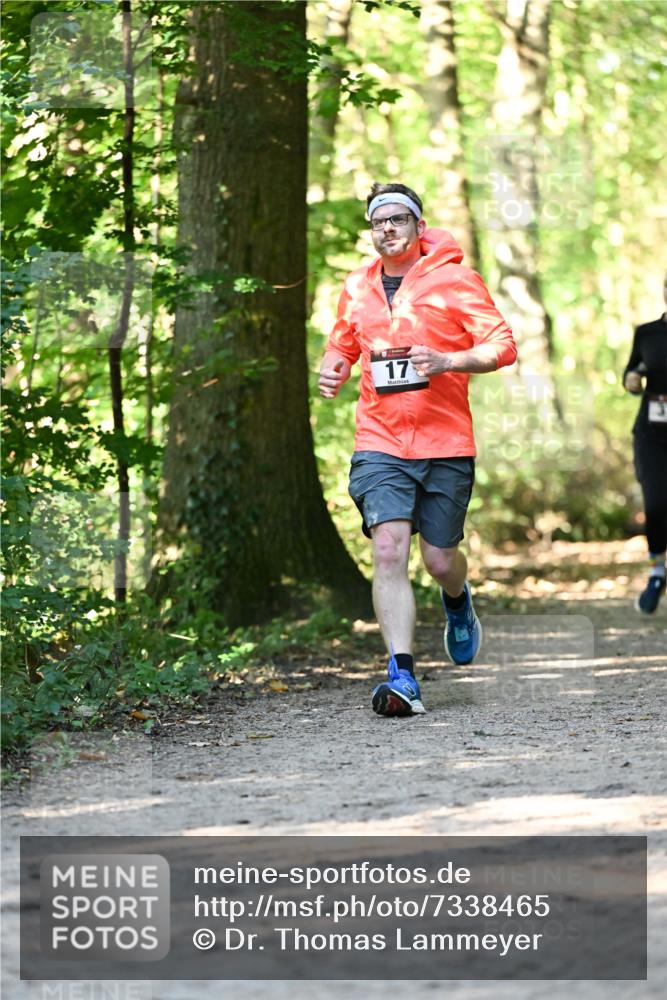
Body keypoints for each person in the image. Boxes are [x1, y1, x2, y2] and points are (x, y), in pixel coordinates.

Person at [319, 182, 517, 717]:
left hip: (446, 440)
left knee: (439, 558)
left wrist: (449, 361)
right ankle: (402, 675)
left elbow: (503, 345)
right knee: (388, 547)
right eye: (378, 221)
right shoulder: (357, 286)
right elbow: (343, 341)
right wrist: (336, 364)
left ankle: (458, 602)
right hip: (380, 440)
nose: (387, 228)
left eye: (398, 219)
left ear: (418, 227)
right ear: (371, 232)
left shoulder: (455, 280)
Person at [623, 272, 667, 614]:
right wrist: (633, 380)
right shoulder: (648, 333)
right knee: (654, 503)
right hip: (651, 432)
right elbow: (630, 374)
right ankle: (657, 571)